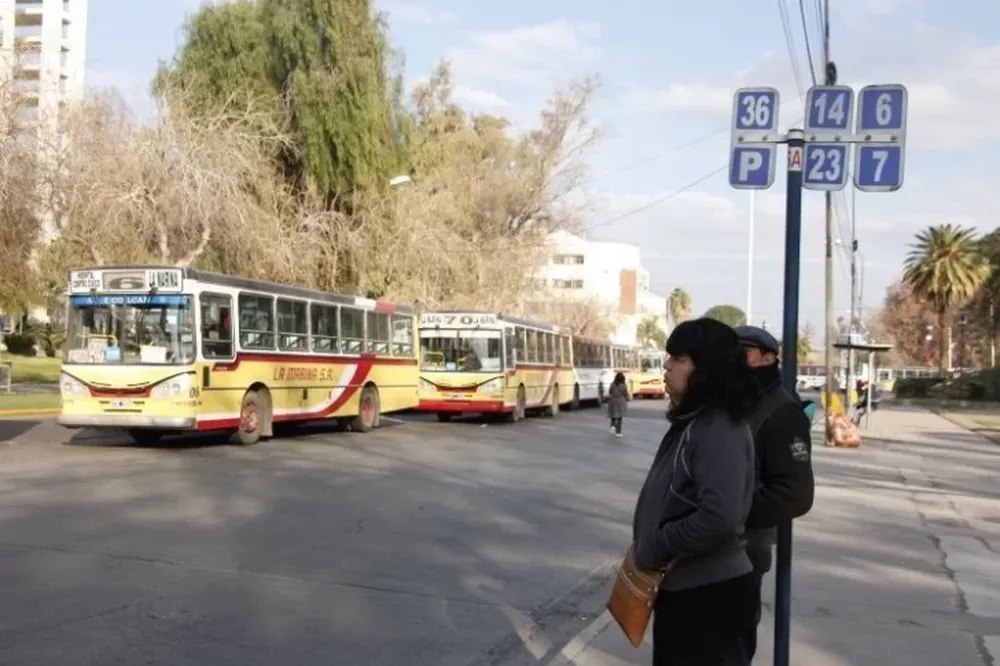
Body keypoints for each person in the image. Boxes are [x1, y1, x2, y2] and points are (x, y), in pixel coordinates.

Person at [632, 318, 761, 665]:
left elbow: (719, 518)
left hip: (709, 598)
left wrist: (659, 542)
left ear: (706, 369)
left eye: (678, 359)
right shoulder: (697, 420)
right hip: (686, 592)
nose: (667, 366)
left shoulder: (718, 426)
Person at [730, 325, 816, 666]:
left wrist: (730, 514)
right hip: (708, 546)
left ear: (768, 357)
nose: (735, 359)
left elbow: (793, 494)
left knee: (731, 643)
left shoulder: (782, 411)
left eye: (744, 352)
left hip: (743, 549)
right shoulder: (732, 400)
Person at [607, 371, 628, 437]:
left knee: (613, 414)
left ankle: (612, 425)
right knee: (619, 417)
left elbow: (610, 391)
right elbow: (625, 394)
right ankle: (618, 432)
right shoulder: (623, 385)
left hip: (613, 400)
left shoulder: (612, 384)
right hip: (620, 401)